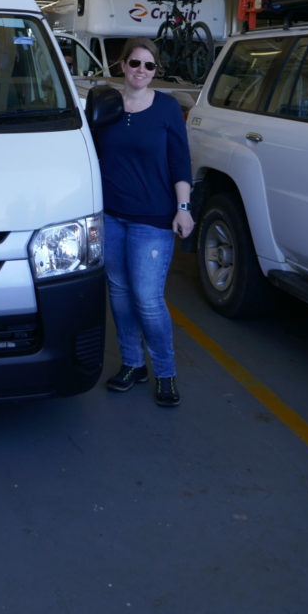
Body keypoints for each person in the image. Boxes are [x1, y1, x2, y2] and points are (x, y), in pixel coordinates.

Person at [91, 37, 194, 407]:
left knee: (148, 300)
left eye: (149, 66)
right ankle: (133, 365)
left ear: (155, 71)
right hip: (112, 217)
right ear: (123, 65)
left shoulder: (167, 108)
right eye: (135, 63)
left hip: (153, 219)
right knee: (118, 293)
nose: (141, 71)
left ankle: (165, 372)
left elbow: (181, 163)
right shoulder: (104, 105)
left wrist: (184, 207)